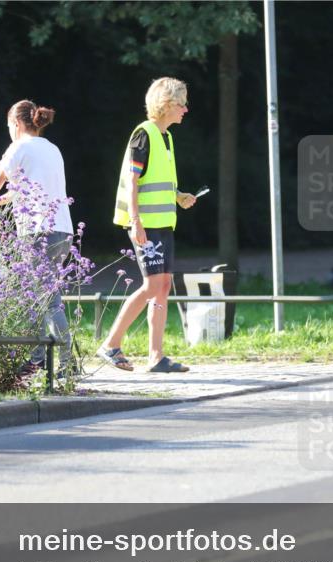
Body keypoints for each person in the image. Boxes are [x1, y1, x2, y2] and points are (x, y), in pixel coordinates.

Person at [0, 100, 75, 377]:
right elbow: (22, 190)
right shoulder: (52, 149)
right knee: (36, 296)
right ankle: (37, 359)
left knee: (48, 299)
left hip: (38, 233)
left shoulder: (18, 147)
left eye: (8, 126)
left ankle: (67, 363)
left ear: (15, 123)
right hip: (62, 231)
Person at [96, 77, 198, 373]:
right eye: (181, 103)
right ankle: (111, 344)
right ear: (166, 105)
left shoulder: (166, 136)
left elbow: (158, 180)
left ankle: (156, 356)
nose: (185, 109)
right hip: (146, 225)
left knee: (163, 286)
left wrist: (178, 196)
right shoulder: (144, 134)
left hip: (163, 223)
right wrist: (136, 221)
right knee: (153, 284)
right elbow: (132, 181)